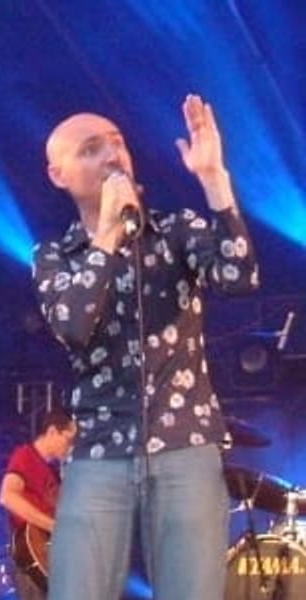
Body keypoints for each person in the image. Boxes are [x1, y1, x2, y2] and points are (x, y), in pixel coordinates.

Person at [32, 94, 259, 600]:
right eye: (90, 149)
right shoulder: (54, 255)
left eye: (117, 143)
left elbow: (239, 277)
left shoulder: (176, 231)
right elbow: (71, 325)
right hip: (98, 448)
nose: (111, 156)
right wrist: (108, 235)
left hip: (185, 440)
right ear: (58, 174)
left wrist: (214, 179)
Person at [0, 408, 76, 600]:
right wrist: (52, 526)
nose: (71, 447)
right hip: (30, 555)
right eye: (68, 440)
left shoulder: (53, 472)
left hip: (50, 556)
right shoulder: (25, 456)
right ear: (52, 431)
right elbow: (7, 496)